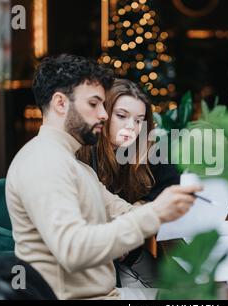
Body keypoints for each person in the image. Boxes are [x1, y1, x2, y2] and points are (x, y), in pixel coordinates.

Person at [5, 54, 201, 300]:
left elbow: (121, 210)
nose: (104, 114)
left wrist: (167, 206)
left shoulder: (72, 164)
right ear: (61, 104)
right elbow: (73, 250)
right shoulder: (45, 162)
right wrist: (155, 212)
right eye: (94, 104)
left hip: (110, 293)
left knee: (200, 296)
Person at [76, 78, 180, 288]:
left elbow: (171, 185)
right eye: (122, 116)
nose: (131, 127)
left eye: (139, 120)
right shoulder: (82, 153)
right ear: (103, 114)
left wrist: (141, 204)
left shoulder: (144, 149)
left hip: (129, 256)